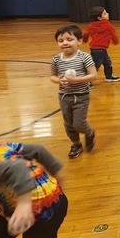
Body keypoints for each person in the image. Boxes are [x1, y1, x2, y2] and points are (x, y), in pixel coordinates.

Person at [49, 24, 98, 159]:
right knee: (68, 124)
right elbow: (52, 76)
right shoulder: (56, 59)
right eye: (61, 40)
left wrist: (76, 80)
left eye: (69, 39)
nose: (65, 43)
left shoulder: (84, 57)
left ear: (79, 41)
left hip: (81, 96)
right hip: (64, 96)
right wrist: (59, 81)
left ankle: (89, 133)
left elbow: (93, 75)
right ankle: (76, 144)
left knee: (79, 123)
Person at [83, 6, 120, 83]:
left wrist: (85, 40)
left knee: (107, 62)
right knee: (95, 66)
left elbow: (85, 34)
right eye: (105, 13)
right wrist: (115, 41)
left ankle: (108, 77)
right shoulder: (108, 25)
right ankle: (87, 81)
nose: (108, 14)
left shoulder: (91, 25)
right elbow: (113, 34)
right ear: (99, 18)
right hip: (100, 50)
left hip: (96, 49)